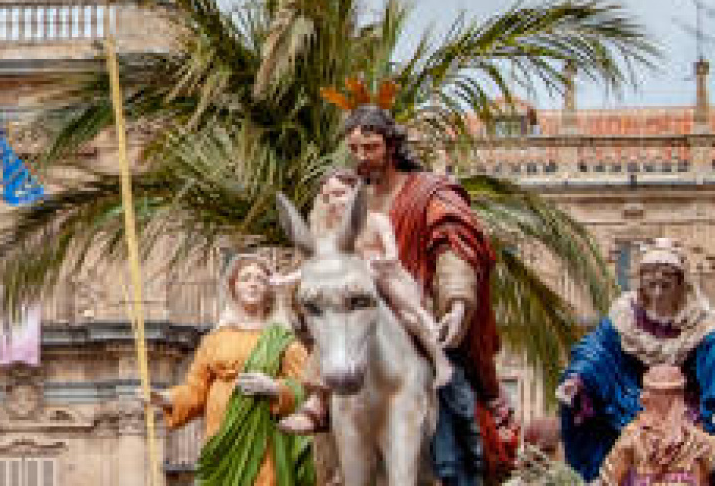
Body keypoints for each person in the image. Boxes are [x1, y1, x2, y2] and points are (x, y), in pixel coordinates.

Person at [341, 101, 516, 486]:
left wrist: (455, 302)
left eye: (369, 148)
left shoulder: (430, 192)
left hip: (419, 320)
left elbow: (454, 243)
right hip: (358, 322)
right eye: (354, 150)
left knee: (454, 398)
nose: (362, 158)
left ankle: (461, 469)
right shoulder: (349, 197)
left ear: (390, 145)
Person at [557, 238, 715, 486]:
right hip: (630, 411)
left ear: (680, 284)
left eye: (666, 283)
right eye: (651, 283)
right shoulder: (625, 316)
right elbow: (596, 353)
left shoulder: (701, 321)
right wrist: (577, 380)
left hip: (690, 415)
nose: (658, 292)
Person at [281, 169, 455, 435]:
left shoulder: (375, 220)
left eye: (340, 194)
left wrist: (373, 263)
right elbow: (316, 267)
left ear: (355, 196)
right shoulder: (326, 234)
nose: (334, 202)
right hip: (349, 289)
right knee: (329, 334)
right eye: (327, 197)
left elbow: (392, 254)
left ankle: (439, 358)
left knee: (410, 315)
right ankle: (317, 400)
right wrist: (286, 280)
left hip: (383, 276)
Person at [153, 253, 315, 486]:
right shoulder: (214, 340)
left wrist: (274, 388)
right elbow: (195, 390)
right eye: (245, 278)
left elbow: (305, 388)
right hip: (221, 440)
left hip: (263, 439)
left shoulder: (283, 339)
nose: (253, 283)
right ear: (233, 287)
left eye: (260, 279)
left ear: (269, 289)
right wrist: (166, 398)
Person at [593, 365, 715, 486]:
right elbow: (608, 477)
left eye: (651, 394)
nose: (643, 399)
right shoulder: (633, 437)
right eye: (645, 392)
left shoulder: (699, 442)